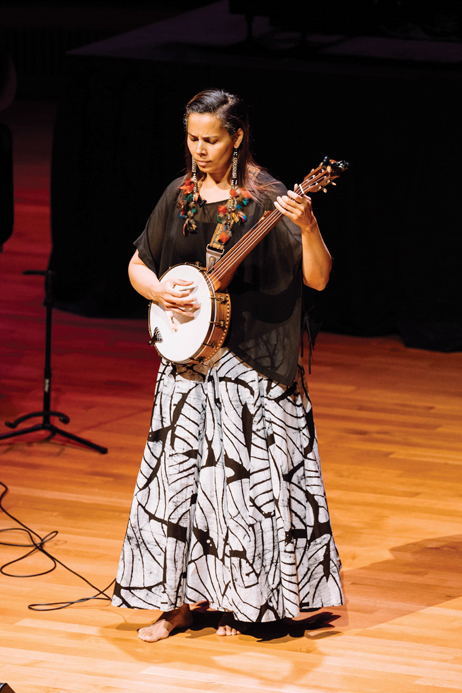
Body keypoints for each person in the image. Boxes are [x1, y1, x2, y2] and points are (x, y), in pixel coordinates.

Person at [112, 89, 343, 641]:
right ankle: (177, 606)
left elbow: (318, 278)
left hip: (252, 365)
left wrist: (308, 225)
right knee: (177, 487)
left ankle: (246, 603)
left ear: (237, 136)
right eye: (192, 138)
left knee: (243, 492)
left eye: (210, 139)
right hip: (189, 359)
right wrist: (160, 296)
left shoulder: (270, 197)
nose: (199, 149)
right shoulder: (180, 194)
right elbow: (139, 264)